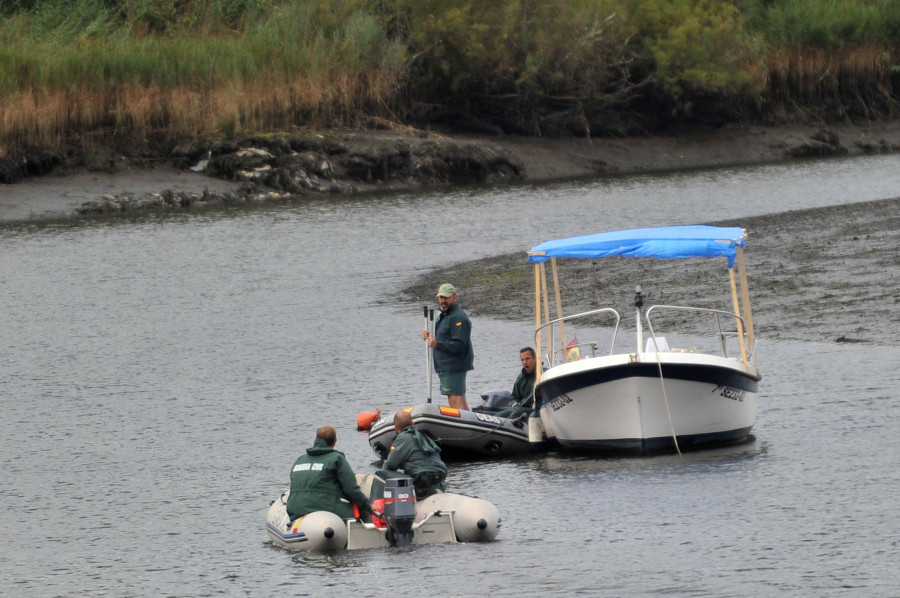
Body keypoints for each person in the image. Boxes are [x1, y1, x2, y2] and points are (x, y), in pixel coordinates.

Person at [286, 425, 373, 521]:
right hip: (326, 508)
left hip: (295, 510)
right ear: (335, 441)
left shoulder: (300, 460)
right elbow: (351, 488)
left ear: (316, 439)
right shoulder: (336, 459)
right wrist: (367, 506)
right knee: (362, 512)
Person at [422, 283, 474, 410]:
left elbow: (460, 345)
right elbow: (443, 336)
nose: (443, 301)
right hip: (445, 366)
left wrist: (437, 344)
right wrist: (429, 337)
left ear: (455, 297)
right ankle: (469, 425)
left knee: (456, 399)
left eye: (446, 297)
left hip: (454, 366)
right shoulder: (444, 315)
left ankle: (462, 427)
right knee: (457, 398)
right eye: (441, 297)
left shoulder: (458, 318)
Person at [379, 411, 448, 499]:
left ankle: (375, 506)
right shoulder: (423, 436)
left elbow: (390, 466)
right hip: (439, 479)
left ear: (396, 428)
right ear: (413, 423)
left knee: (381, 474)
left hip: (422, 481)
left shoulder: (402, 438)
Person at [497, 346, 538, 421]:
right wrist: (515, 405)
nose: (525, 362)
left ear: (535, 358)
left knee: (516, 413)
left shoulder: (543, 374)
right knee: (497, 416)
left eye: (527, 359)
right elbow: (514, 397)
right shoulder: (521, 378)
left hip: (536, 410)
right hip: (520, 409)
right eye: (522, 360)